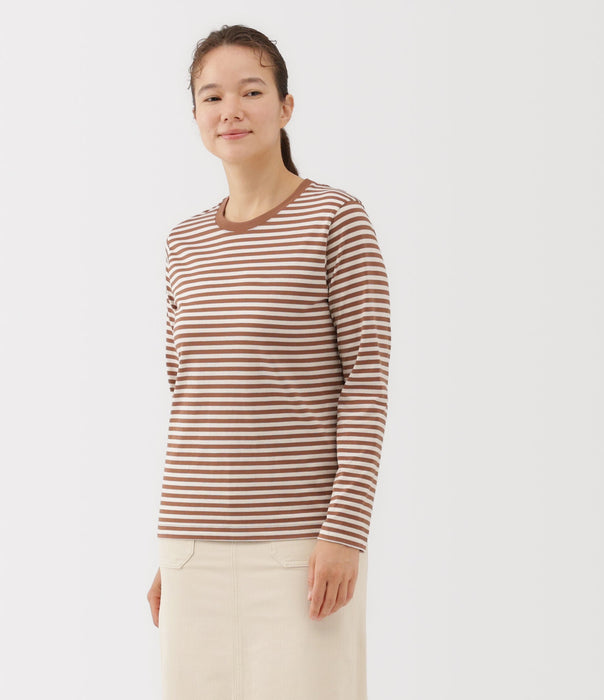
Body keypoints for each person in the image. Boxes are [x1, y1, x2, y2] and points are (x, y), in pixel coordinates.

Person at [146, 23, 391, 700]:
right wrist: (175, 555)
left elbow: (366, 383)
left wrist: (344, 532)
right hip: (191, 546)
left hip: (300, 549)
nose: (230, 109)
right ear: (195, 115)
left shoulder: (336, 219)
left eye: (251, 91)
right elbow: (189, 395)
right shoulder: (184, 244)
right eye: (211, 96)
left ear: (285, 107)